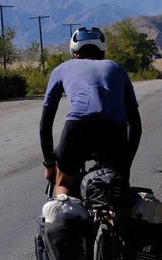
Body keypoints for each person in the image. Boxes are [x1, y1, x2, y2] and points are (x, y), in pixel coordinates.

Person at [39, 27, 142, 198]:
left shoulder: (61, 69)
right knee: (116, 190)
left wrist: (50, 164)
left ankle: (63, 212)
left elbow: (45, 124)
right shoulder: (116, 68)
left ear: (74, 52)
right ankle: (111, 220)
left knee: (64, 183)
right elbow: (136, 125)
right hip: (114, 131)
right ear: (102, 50)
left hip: (77, 128)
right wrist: (125, 164)